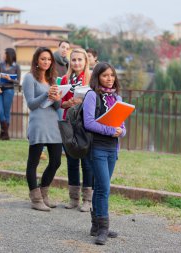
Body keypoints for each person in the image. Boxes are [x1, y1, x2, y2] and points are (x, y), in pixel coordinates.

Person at [83, 62, 126, 245]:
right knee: (104, 188)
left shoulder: (117, 98)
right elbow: (89, 123)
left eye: (112, 75)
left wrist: (120, 132)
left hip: (112, 149)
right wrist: (110, 131)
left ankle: (96, 225)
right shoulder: (92, 95)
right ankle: (103, 229)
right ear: (97, 77)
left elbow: (122, 127)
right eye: (105, 76)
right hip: (97, 148)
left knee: (101, 188)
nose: (109, 79)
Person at [22, 47, 62, 212]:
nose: (46, 62)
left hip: (53, 123)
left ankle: (44, 192)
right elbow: (31, 103)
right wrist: (46, 94)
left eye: (49, 59)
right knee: (34, 162)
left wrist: (57, 98)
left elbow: (57, 106)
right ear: (36, 60)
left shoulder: (53, 79)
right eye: (43, 59)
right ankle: (35, 198)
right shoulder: (29, 78)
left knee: (56, 161)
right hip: (38, 123)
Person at [60, 48, 93, 212]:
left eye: (80, 60)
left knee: (87, 163)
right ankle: (73, 198)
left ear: (85, 61)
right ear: (70, 62)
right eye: (74, 60)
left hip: (86, 125)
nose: (77, 63)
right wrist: (70, 102)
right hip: (70, 123)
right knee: (71, 161)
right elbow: (61, 103)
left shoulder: (91, 78)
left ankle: (88, 199)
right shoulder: (65, 79)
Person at [0, 48, 21, 140]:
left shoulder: (16, 67)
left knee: (6, 113)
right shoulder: (1, 64)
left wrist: (10, 79)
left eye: (5, 54)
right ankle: (5, 133)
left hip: (9, 90)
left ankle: (3, 134)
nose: (3, 55)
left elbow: (18, 82)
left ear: (9, 55)